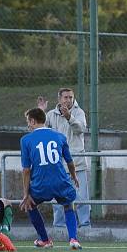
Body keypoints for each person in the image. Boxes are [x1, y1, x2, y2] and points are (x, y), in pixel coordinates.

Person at [20, 107, 82, 250]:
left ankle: (45, 240)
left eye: (28, 121)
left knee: (30, 205)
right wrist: (74, 177)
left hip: (41, 184)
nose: (28, 125)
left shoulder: (26, 140)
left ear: (33, 121)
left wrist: (26, 193)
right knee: (68, 205)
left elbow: (26, 169)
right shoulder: (60, 136)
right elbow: (70, 162)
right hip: (60, 181)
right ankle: (73, 239)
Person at [37, 88, 91, 228]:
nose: (68, 100)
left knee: (81, 197)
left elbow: (81, 129)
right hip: (57, 164)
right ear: (59, 99)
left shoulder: (79, 113)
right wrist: (41, 112)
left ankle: (85, 225)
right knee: (59, 198)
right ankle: (59, 226)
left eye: (71, 97)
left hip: (77, 163)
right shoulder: (51, 115)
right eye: (65, 97)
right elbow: (38, 129)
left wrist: (69, 117)